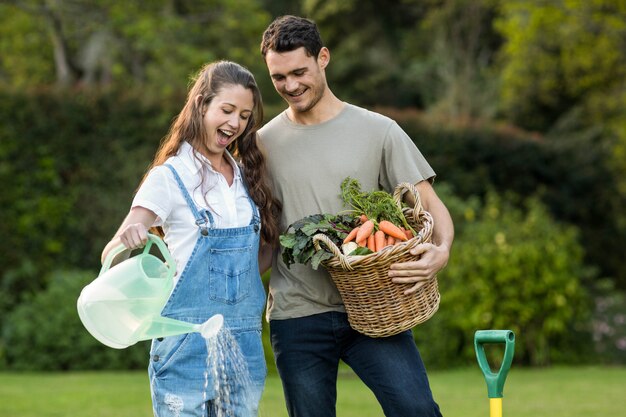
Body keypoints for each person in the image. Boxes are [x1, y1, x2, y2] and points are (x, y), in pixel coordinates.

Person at [258, 15, 454, 417]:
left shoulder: (379, 131)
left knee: (417, 410)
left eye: (299, 72)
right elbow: (261, 235)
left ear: (323, 58)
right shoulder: (262, 143)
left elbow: (430, 205)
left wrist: (443, 250)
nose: (291, 86)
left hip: (372, 307)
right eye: (279, 78)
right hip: (298, 312)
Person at [101, 60, 280, 417]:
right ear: (201, 104)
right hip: (185, 342)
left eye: (244, 116)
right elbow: (112, 251)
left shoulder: (247, 177)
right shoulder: (169, 177)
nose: (235, 123)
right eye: (226, 110)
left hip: (242, 340)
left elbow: (259, 256)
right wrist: (130, 241)